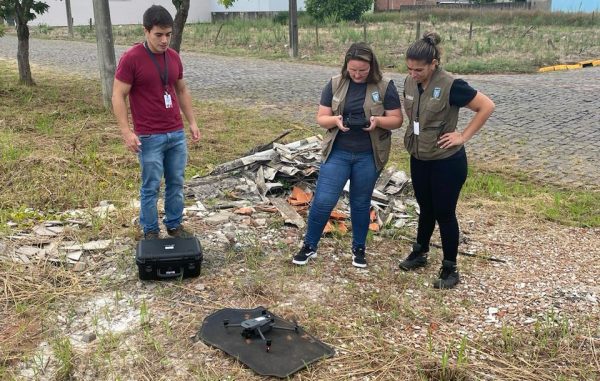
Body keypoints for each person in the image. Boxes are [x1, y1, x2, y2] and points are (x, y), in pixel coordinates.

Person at [292, 42, 403, 268]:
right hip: (338, 152)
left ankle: (359, 248)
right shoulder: (335, 84)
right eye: (353, 70)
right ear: (346, 66)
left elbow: (397, 119)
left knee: (360, 203)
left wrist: (377, 121)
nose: (358, 74)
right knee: (323, 200)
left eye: (363, 70)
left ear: (372, 67)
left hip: (368, 155)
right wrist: (335, 121)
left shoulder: (384, 86)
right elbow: (322, 117)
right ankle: (309, 246)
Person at [398, 32, 495, 289]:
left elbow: (486, 106)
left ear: (434, 64)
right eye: (409, 68)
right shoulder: (409, 83)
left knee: (444, 212)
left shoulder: (453, 85)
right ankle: (420, 252)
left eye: (419, 69)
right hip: (419, 156)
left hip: (446, 161)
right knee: (425, 207)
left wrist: (463, 135)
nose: (413, 73)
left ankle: (450, 267)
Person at [112, 5, 200, 240]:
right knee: (151, 186)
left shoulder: (173, 57)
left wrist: (192, 122)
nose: (164, 40)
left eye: (168, 35)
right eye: (158, 35)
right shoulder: (131, 58)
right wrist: (126, 132)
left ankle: (174, 224)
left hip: (175, 133)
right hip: (149, 136)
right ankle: (150, 230)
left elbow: (181, 89)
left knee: (176, 183)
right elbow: (118, 95)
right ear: (146, 31)